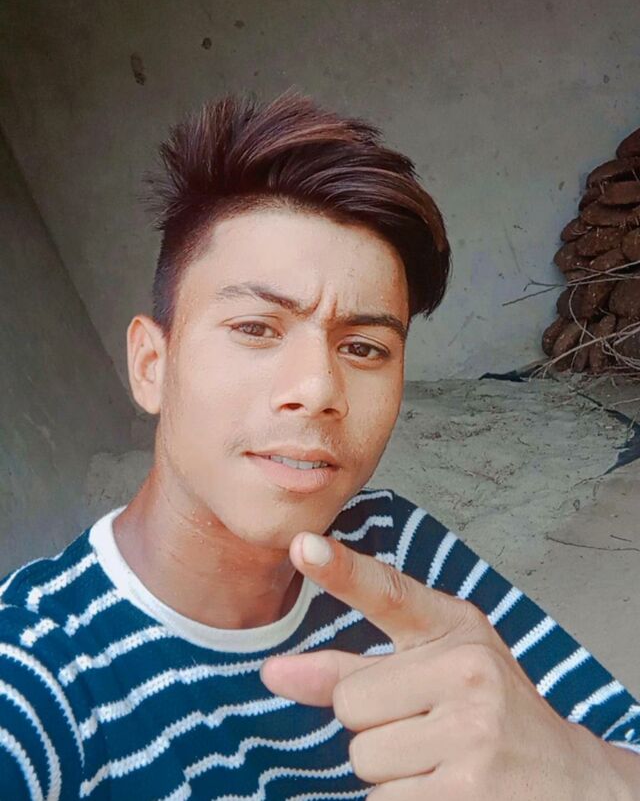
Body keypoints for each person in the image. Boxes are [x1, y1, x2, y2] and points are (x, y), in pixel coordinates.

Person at [1, 92, 639, 801]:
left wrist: (591, 776)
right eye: (256, 328)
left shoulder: (393, 552)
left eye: (363, 347)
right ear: (151, 364)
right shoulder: (36, 677)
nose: (317, 388)